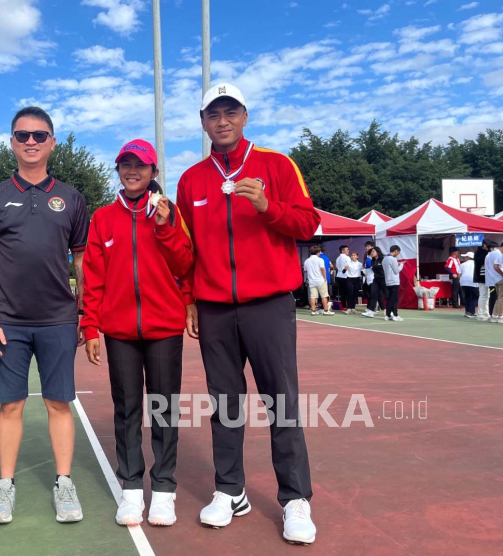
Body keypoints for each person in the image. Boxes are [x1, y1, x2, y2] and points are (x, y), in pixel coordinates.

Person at [177, 83, 318, 545]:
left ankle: (295, 499)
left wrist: (266, 206)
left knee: (281, 402)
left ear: (244, 116)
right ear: (203, 122)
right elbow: (186, 250)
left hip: (269, 305)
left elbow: (307, 223)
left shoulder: (276, 165)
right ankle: (229, 490)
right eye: (213, 114)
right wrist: (190, 299)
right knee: (225, 404)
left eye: (230, 111)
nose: (222, 120)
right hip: (215, 308)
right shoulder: (192, 180)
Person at [0, 106, 90, 525]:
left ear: (52, 142)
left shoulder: (72, 198)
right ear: (12, 143)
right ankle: (5, 485)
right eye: (22, 135)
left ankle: (63, 481)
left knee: (59, 403)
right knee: (11, 406)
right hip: (8, 322)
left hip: (58, 319)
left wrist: (86, 312)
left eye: (40, 135)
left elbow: (82, 263)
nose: (31, 142)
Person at [81, 139, 194, 527]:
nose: (132, 171)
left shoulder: (168, 212)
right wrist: (90, 324)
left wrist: (164, 228)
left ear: (153, 173)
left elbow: (184, 262)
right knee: (126, 409)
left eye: (140, 165)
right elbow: (92, 277)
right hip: (120, 330)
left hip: (164, 327)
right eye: (125, 164)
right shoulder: (103, 218)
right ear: (119, 170)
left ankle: (163, 489)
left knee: (163, 408)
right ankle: (131, 487)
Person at [304, 245, 333, 315]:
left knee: (313, 296)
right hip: (320, 280)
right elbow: (323, 269)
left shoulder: (306, 261)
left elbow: (305, 270)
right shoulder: (320, 260)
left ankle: (313, 311)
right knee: (324, 295)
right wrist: (325, 277)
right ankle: (326, 310)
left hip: (311, 280)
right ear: (318, 252)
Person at [362, 247, 387, 318]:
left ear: (377, 252)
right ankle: (371, 311)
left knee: (386, 294)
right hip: (375, 279)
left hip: (383, 279)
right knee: (373, 294)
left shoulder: (383, 259)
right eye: (371, 252)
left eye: (373, 251)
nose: (371, 253)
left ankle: (389, 310)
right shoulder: (372, 260)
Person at [384, 245, 405, 322]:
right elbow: (396, 271)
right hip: (394, 281)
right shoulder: (393, 259)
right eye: (398, 252)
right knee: (394, 299)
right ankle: (395, 315)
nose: (398, 254)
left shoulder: (385, 259)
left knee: (390, 298)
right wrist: (401, 265)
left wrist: (398, 264)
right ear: (396, 251)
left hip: (388, 281)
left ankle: (388, 315)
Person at [485, 242, 503, 323]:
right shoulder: (499, 254)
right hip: (499, 277)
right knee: (500, 298)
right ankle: (499, 315)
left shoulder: (489, 255)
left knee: (498, 297)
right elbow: (496, 266)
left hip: (493, 278)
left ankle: (495, 315)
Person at [474, 240, 491, 321]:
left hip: (487, 276)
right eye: (485, 245)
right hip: (481, 276)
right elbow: (480, 262)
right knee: (483, 295)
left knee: (487, 296)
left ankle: (486, 312)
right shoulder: (479, 253)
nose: (486, 246)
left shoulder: (484, 253)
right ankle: (481, 313)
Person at [458, 252, 479, 319]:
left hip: (463, 282)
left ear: (468, 257)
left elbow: (459, 275)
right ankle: (471, 312)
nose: (464, 258)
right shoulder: (477, 264)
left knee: (467, 296)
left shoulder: (462, 264)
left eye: (465, 257)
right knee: (475, 297)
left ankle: (467, 311)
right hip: (473, 282)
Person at [335, 245, 352, 313]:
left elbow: (336, 267)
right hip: (345, 276)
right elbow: (349, 266)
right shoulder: (347, 257)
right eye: (346, 249)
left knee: (342, 292)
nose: (348, 251)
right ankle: (349, 306)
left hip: (339, 276)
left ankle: (344, 306)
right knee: (348, 292)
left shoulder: (337, 258)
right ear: (342, 251)